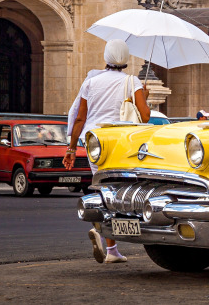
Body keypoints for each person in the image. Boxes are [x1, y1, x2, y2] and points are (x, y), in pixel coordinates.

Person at [64, 39, 150, 264]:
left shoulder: (91, 82)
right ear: (126, 60)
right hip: (121, 141)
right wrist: (145, 97)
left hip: (95, 142)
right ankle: (112, 244)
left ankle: (109, 243)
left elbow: (80, 117)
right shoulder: (133, 82)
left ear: (106, 58)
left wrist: (71, 148)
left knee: (101, 187)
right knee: (120, 189)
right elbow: (145, 116)